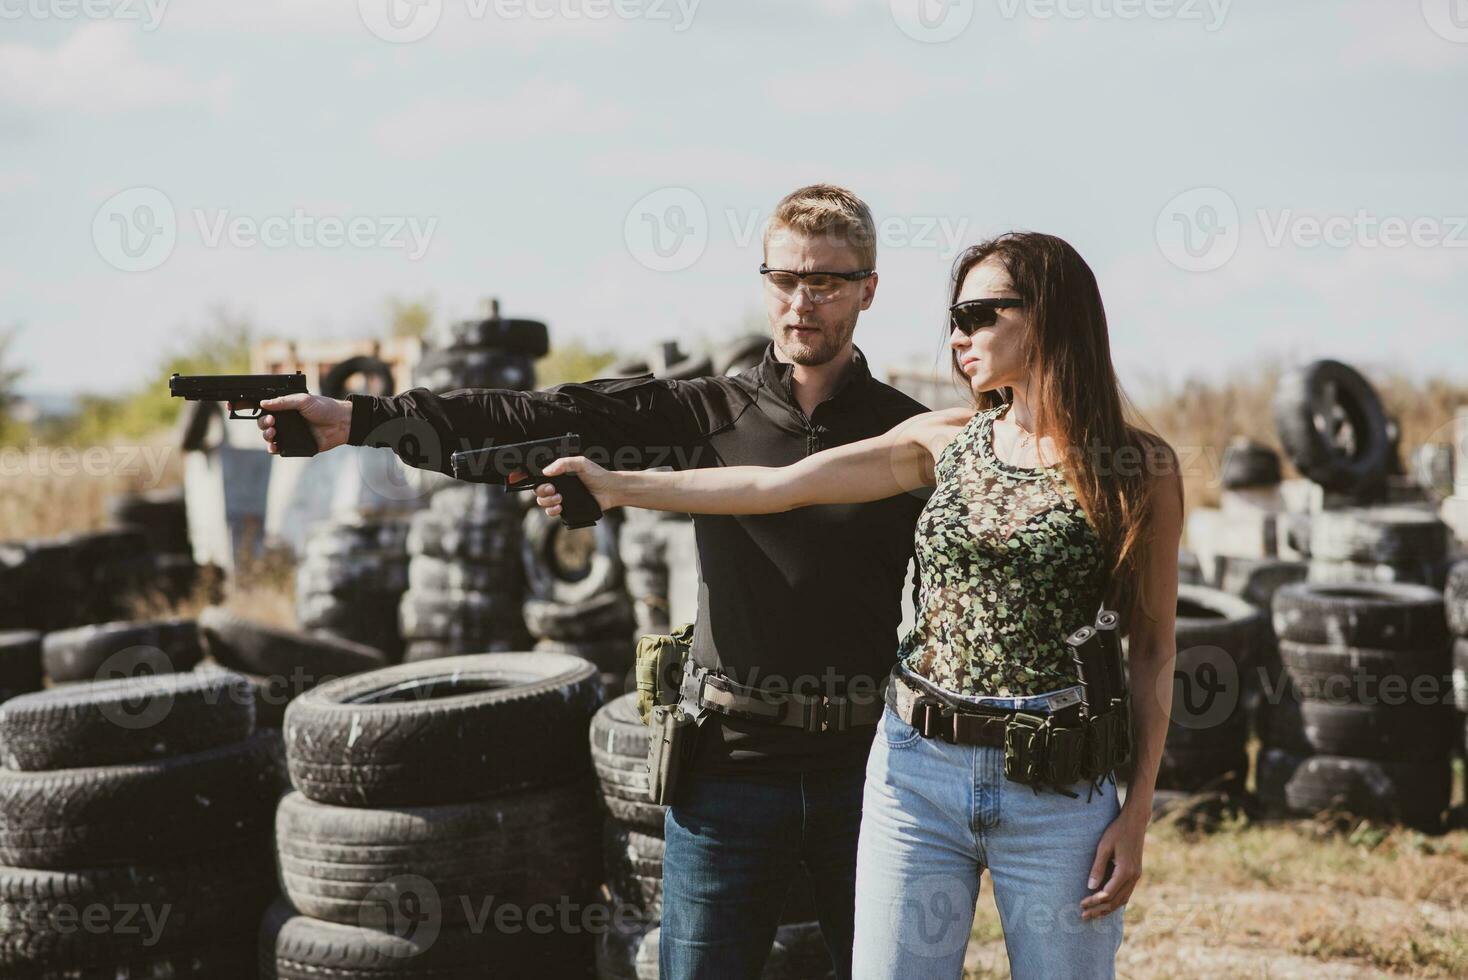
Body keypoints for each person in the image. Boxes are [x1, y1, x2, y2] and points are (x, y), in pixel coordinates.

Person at [243, 185, 932, 980]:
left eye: (827, 283)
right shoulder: (707, 411)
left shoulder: (907, 434)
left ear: (869, 290)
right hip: (730, 766)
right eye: (784, 280)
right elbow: (531, 412)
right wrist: (360, 421)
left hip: (870, 767)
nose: (801, 302)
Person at [531, 231, 1182, 979]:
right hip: (918, 772)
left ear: (1051, 315)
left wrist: (1135, 817)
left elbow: (1156, 648)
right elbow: (774, 487)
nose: (958, 334)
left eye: (978, 313)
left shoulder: (1140, 467)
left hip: (1058, 790)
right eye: (953, 316)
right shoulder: (945, 439)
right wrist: (618, 486)